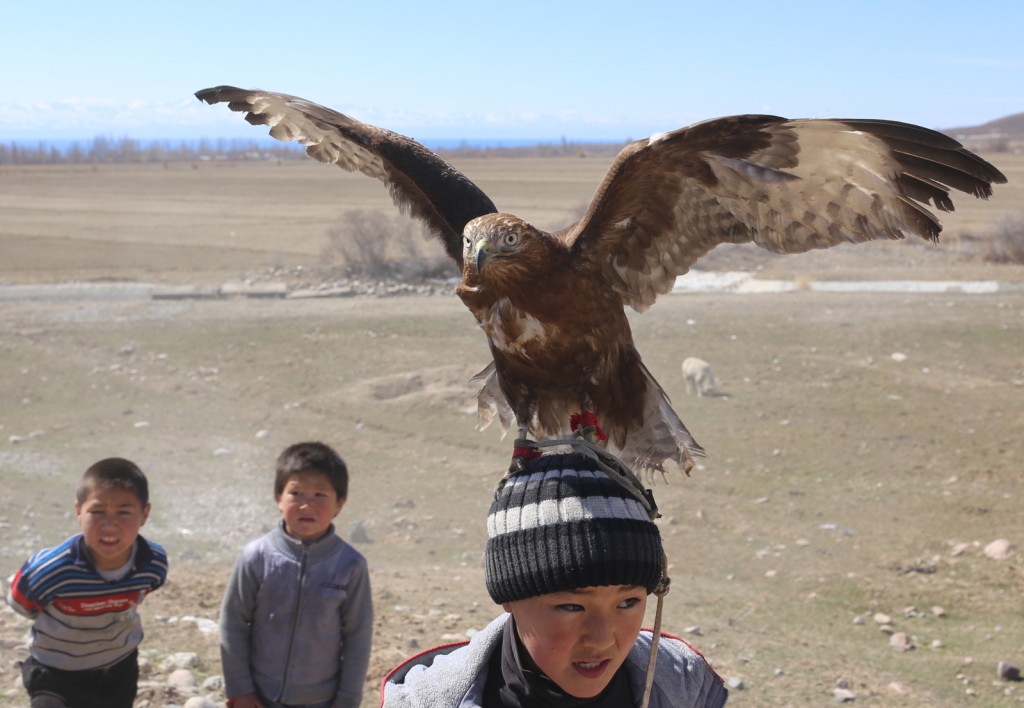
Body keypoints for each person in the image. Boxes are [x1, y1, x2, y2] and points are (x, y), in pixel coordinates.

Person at [380, 449, 728, 707]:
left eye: (628, 602)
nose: (602, 638)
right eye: (572, 606)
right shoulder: (427, 701)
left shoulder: (684, 687)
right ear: (510, 597)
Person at [220, 441, 374, 708]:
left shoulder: (351, 565)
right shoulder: (255, 557)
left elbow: (358, 637)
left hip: (321, 701)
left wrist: (348, 700)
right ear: (278, 498)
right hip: (259, 698)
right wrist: (240, 690)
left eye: (320, 495)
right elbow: (232, 624)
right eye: (297, 493)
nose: (307, 505)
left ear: (340, 504)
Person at [6, 457, 168, 708]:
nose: (110, 524)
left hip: (119, 668)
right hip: (55, 672)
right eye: (97, 511)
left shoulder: (152, 562)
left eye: (124, 512)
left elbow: (148, 588)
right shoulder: (49, 569)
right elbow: (21, 602)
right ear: (79, 512)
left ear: (144, 514)